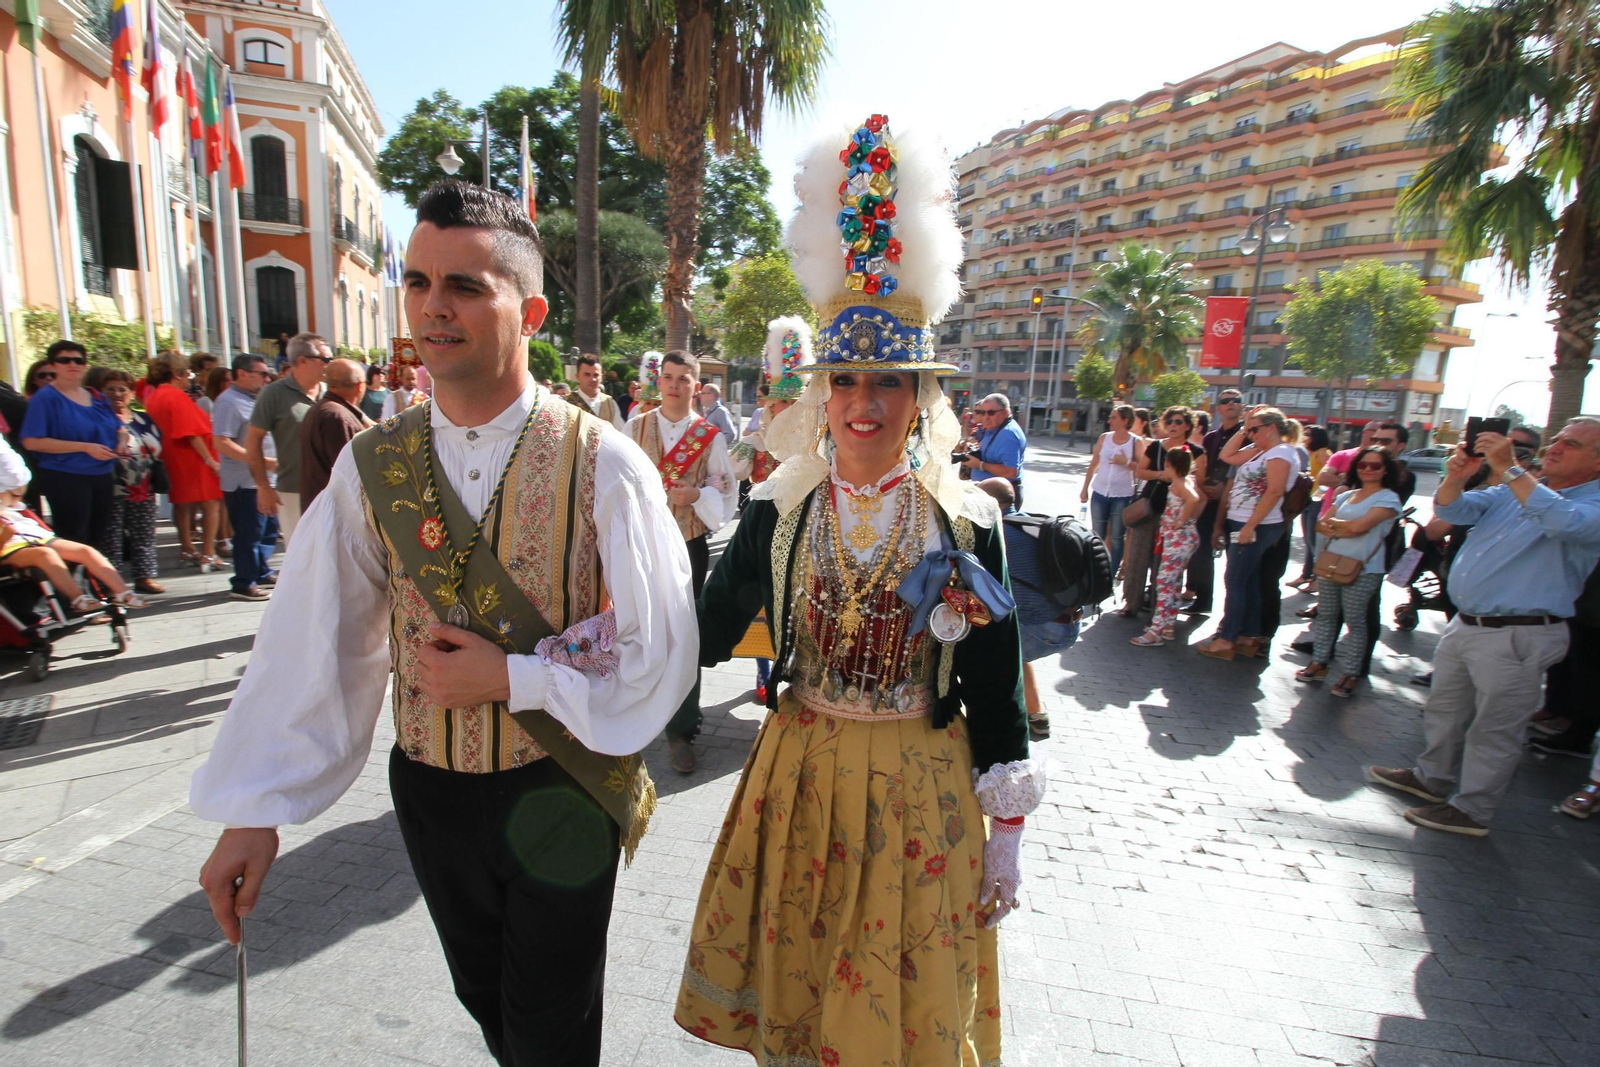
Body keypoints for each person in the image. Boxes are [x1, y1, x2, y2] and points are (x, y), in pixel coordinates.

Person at [191, 181, 696, 1066]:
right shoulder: (369, 464)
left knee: (546, 1024)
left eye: (465, 285)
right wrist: (254, 810)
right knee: (493, 1007)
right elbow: (317, 641)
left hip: (562, 786)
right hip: (428, 789)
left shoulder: (605, 461)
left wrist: (515, 678)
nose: (434, 305)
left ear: (530, 309)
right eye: (420, 281)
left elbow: (662, 649)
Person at [676, 118, 1038, 1065]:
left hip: (922, 782)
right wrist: (596, 646)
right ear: (821, 391)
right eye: (847, 380)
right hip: (800, 776)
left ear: (921, 397)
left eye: (889, 381)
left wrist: (1006, 827)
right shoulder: (779, 505)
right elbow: (703, 633)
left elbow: (997, 680)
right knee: (803, 984)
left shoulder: (964, 520)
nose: (865, 402)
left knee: (899, 1007)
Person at [1365, 417, 1600, 836]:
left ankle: (1473, 809)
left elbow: (1565, 523)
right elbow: (1454, 510)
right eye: (1558, 438)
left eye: (1573, 444)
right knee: (1446, 709)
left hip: (1518, 631)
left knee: (1495, 727)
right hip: (1471, 624)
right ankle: (1431, 778)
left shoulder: (1586, 502)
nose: (1557, 447)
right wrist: (1455, 478)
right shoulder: (1522, 487)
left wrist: (1511, 469)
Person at [628, 349, 735, 774]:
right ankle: (631, 718)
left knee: (682, 635)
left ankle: (681, 730)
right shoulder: (635, 428)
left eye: (683, 379)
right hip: (639, 544)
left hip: (687, 545)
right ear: (660, 382)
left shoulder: (709, 437)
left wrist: (697, 496)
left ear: (696, 384)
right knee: (635, 627)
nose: (674, 385)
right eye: (668, 377)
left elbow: (726, 496)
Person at [727, 317, 813, 703]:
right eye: (777, 403)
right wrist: (753, 442)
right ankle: (765, 674)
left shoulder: (817, 442)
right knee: (759, 608)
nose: (781, 410)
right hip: (761, 538)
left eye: (789, 404)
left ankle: (794, 669)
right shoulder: (757, 437)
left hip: (807, 538)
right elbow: (734, 469)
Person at [1296, 446, 1403, 697]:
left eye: (1375, 466)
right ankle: (1320, 661)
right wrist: (1345, 527)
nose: (1367, 469)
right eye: (1363, 464)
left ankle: (1352, 672)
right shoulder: (1347, 495)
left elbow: (1359, 527)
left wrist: (1340, 527)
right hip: (1331, 563)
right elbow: (1321, 525)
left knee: (1355, 621)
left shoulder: (1388, 498)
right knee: (1326, 615)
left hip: (1363, 568)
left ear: (1386, 470)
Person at [979, 476, 1080, 739]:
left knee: (983, 648)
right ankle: (1038, 716)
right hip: (1067, 624)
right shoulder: (1032, 524)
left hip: (1044, 628)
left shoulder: (996, 533)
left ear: (990, 503)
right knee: (1017, 648)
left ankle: (996, 725)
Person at [1198, 407, 1294, 660]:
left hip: (1256, 526)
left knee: (1235, 582)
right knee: (1248, 581)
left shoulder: (1280, 453)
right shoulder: (1261, 451)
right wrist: (1244, 429)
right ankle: (1247, 636)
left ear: (1271, 429)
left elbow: (1274, 492)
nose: (1250, 434)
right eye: (1248, 429)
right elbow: (1227, 455)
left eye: (1255, 429)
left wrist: (1250, 526)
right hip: (1242, 523)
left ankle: (1227, 639)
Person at [18, 341, 125, 549]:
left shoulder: (96, 396)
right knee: (73, 536)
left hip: (102, 474)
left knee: (99, 535)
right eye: (64, 360)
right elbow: (31, 441)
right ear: (53, 365)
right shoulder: (45, 398)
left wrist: (121, 442)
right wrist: (84, 447)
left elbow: (119, 428)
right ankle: (71, 581)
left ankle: (90, 580)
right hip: (65, 475)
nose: (72, 364)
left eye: (78, 360)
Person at [144, 352, 225, 570]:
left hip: (173, 457)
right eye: (186, 372)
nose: (189, 376)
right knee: (211, 504)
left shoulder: (154, 396)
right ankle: (208, 552)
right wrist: (210, 461)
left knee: (182, 504)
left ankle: (187, 548)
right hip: (192, 459)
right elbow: (190, 432)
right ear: (176, 373)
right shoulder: (175, 396)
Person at [247, 332, 328, 546]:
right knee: (301, 557)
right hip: (294, 490)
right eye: (326, 360)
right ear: (303, 361)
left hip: (333, 488)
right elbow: (253, 440)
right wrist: (263, 487)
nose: (330, 365)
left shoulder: (331, 391)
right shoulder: (273, 394)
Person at [1123, 405, 1205, 616]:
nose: (1172, 426)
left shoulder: (1196, 452)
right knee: (1137, 557)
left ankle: (1158, 609)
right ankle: (1131, 603)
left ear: (1188, 426)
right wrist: (1162, 475)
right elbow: (1141, 471)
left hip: (1176, 514)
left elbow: (1200, 486)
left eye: (1178, 422)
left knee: (1165, 565)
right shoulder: (1156, 447)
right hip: (1150, 508)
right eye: (1169, 421)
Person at [212, 355, 278, 602]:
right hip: (244, 481)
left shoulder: (254, 399)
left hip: (265, 478)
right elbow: (222, 442)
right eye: (260, 373)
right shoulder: (228, 402)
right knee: (248, 533)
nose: (266, 378)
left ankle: (260, 571)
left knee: (266, 531)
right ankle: (243, 582)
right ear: (241, 373)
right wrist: (259, 460)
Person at [99, 369, 164, 595]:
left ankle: (144, 577)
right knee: (112, 536)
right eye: (110, 389)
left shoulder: (142, 418)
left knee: (144, 532)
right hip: (111, 484)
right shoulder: (99, 416)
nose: (117, 393)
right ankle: (111, 582)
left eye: (122, 389)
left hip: (144, 484)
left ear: (130, 393)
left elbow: (158, 444)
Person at [1131, 449, 1203, 647]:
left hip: (1178, 539)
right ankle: (1168, 625)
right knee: (1174, 582)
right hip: (1181, 539)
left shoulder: (1179, 482)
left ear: (1169, 464)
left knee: (1163, 583)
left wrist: (1180, 521)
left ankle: (1156, 630)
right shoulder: (1185, 479)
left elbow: (1193, 499)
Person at [1186, 389, 1246, 614]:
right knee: (1201, 552)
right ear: (1218, 408)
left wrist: (1225, 488)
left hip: (1239, 510)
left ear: (1242, 406)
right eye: (1225, 401)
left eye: (1235, 400)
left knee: (1236, 560)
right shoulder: (1210, 438)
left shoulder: (1250, 436)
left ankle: (1233, 615)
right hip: (1210, 506)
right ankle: (1202, 600)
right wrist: (1205, 487)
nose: (1231, 404)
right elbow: (1203, 468)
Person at [299, 358, 372, 508]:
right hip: (335, 512)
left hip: (320, 507)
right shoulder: (338, 417)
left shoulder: (322, 409)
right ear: (360, 386)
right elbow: (350, 473)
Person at [1081, 403, 1139, 574]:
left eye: (1113, 417)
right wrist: (1085, 488)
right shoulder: (1104, 438)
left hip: (1122, 495)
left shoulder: (1135, 442)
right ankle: (1094, 570)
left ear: (1125, 420)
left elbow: (1142, 467)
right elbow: (1094, 463)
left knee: (1116, 536)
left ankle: (1111, 574)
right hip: (1100, 492)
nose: (1109, 420)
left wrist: (1126, 462)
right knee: (1096, 534)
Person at [1288, 424, 1335, 589]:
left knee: (1314, 540)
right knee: (1308, 539)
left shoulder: (1322, 453)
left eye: (1307, 434)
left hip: (1318, 501)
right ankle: (1306, 575)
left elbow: (1331, 474)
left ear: (1316, 438)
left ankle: (1317, 579)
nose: (1304, 436)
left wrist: (1323, 493)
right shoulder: (1311, 453)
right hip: (1309, 500)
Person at [964, 391, 1027, 507]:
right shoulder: (993, 427)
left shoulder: (1008, 434)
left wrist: (980, 465)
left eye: (991, 413)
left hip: (1001, 497)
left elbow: (1011, 471)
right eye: (983, 413)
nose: (986, 417)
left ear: (1005, 413)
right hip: (988, 494)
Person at [568, 353, 625, 431]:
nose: (593, 379)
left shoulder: (610, 404)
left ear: (601, 377)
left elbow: (621, 434)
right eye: (587, 375)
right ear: (578, 377)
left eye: (596, 375)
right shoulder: (567, 403)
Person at [695, 381, 737, 445]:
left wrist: (713, 446)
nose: (700, 396)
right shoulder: (705, 411)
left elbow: (730, 434)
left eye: (703, 393)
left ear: (711, 396)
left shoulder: (721, 411)